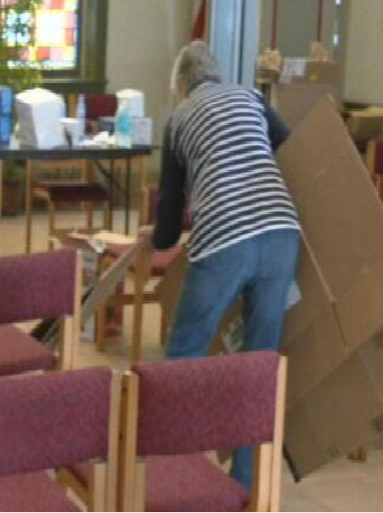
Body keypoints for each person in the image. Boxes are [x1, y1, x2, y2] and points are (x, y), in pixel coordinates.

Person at [151, 40, 301, 490]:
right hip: (281, 230)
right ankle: (246, 481)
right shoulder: (250, 97)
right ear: (215, 74)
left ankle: (174, 472)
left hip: (224, 237)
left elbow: (171, 206)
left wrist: (159, 242)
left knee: (184, 354)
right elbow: (291, 144)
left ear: (181, 84)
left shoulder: (179, 120)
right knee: (259, 362)